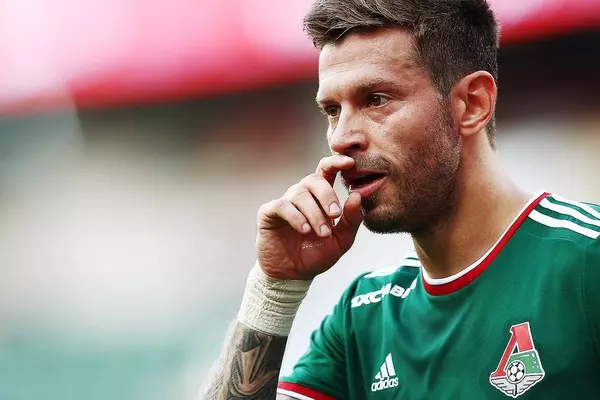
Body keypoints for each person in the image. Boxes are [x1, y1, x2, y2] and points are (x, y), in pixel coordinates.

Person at [201, 0, 600, 398]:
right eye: (332, 110)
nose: (341, 138)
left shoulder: (586, 262)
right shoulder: (362, 316)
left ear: (472, 104)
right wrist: (274, 290)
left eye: (375, 99)